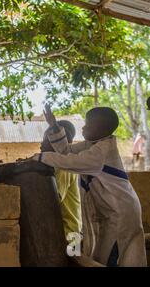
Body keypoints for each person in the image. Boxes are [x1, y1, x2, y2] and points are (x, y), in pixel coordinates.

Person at [33, 104, 146, 267]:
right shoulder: (92, 145)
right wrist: (54, 126)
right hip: (109, 215)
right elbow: (66, 152)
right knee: (101, 256)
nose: (84, 129)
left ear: (101, 129)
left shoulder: (102, 151)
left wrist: (40, 157)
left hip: (121, 213)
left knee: (113, 255)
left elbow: (72, 161)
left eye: (87, 125)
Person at [40, 119, 82, 241]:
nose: (41, 144)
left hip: (69, 234)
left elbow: (54, 199)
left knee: (68, 259)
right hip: (62, 231)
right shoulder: (57, 165)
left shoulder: (64, 167)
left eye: (46, 141)